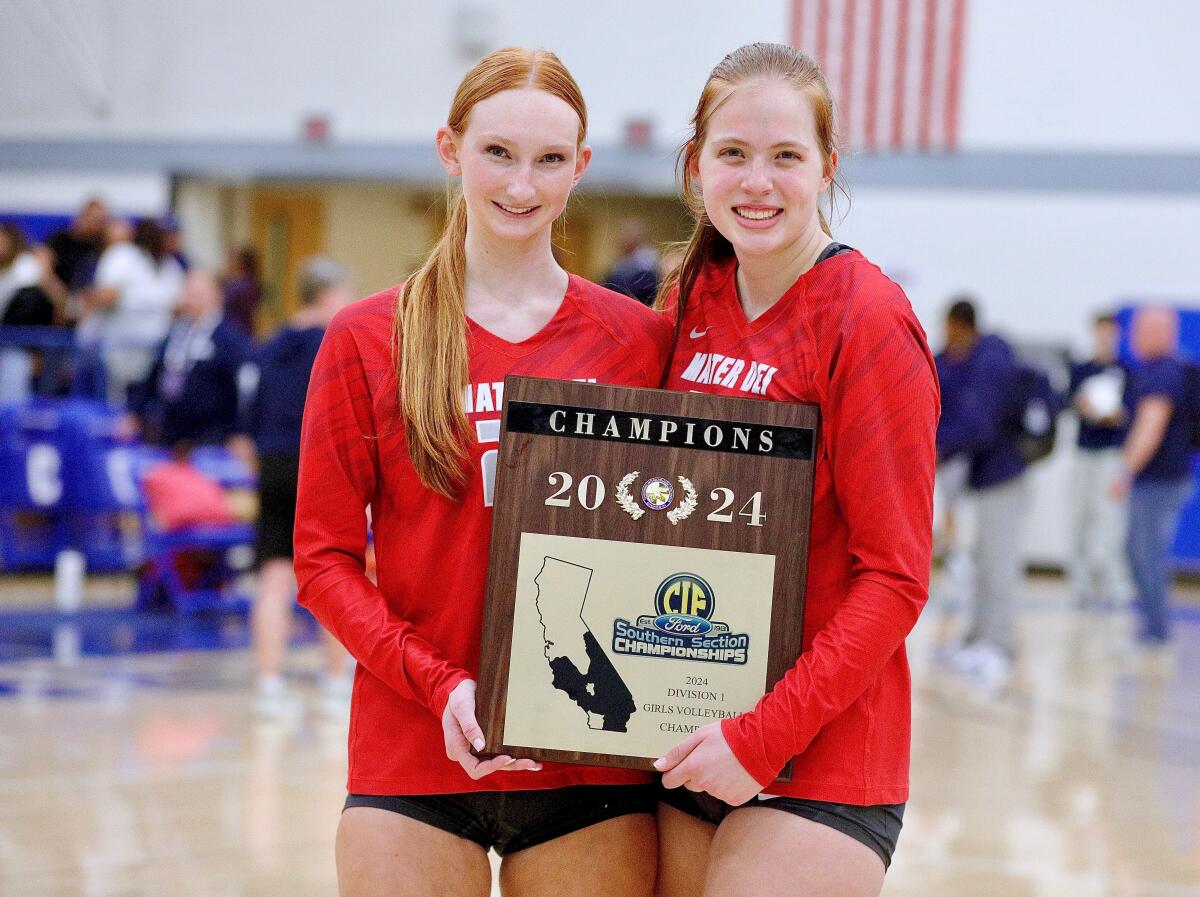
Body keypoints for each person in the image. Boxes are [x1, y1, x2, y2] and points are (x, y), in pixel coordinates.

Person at [292, 47, 671, 897]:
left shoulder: (638, 341)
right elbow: (321, 562)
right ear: (449, 149)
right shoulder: (366, 338)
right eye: (498, 152)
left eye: (548, 160)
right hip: (414, 748)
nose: (521, 185)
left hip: (588, 761)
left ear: (581, 168)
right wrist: (443, 685)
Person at [654, 44, 939, 897]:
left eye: (786, 156)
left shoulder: (867, 317)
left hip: (820, 754)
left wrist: (762, 735)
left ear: (827, 169)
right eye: (732, 154)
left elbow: (895, 577)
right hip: (688, 729)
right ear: (696, 165)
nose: (757, 181)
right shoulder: (687, 301)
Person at [239, 257, 353, 720]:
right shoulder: (333, 343)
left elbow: (245, 425)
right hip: (317, 469)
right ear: (327, 295)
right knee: (333, 573)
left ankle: (268, 682)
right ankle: (334, 679)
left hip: (271, 466)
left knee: (273, 576)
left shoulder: (268, 347)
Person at [934, 298, 1027, 693]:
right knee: (974, 564)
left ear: (959, 324)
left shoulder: (990, 363)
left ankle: (1000, 646)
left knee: (997, 564)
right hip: (970, 480)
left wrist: (937, 449)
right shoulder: (952, 362)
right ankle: (977, 639)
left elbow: (978, 425)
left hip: (1001, 478)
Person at [1111, 307, 1195, 650]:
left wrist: (1126, 472)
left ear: (1163, 331)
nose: (1135, 336)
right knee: (1139, 551)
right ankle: (1151, 627)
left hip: (1159, 481)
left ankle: (1155, 632)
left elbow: (1151, 426)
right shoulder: (1166, 370)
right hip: (1165, 479)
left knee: (1145, 553)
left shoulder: (1164, 373)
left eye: (1142, 329)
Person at [127, 269, 252, 447]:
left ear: (216, 296)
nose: (189, 301)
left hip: (211, 438)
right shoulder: (175, 334)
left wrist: (240, 432)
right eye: (187, 293)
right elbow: (153, 375)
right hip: (169, 433)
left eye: (197, 295)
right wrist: (135, 412)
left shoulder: (232, 341)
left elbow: (244, 393)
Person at [1068, 313, 1130, 609]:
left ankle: (1111, 583)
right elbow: (1071, 402)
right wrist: (1085, 408)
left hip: (1110, 454)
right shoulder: (1081, 370)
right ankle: (1080, 584)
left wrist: (1115, 416)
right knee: (1081, 517)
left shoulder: (1126, 371)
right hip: (1084, 452)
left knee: (1109, 519)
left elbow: (1131, 411)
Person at [89, 218, 185, 404]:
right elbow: (102, 298)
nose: (172, 241)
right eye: (167, 235)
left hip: (156, 357)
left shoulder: (172, 267)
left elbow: (180, 307)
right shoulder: (122, 256)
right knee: (116, 409)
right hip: (119, 354)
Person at [602, 218, 660, 306]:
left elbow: (635, 292)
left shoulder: (648, 263)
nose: (620, 240)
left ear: (636, 238)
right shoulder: (621, 262)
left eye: (625, 235)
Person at [221, 245, 262, 337]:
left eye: (232, 258)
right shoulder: (231, 281)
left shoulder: (246, 285)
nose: (228, 261)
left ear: (241, 262)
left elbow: (254, 314)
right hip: (230, 331)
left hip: (240, 331)